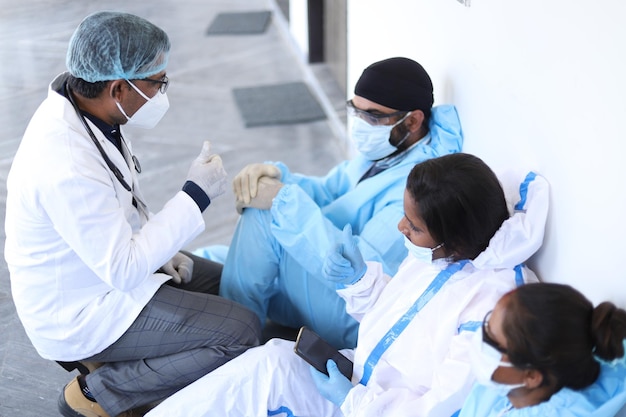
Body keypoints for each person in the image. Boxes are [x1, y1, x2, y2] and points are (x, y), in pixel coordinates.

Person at [145, 152, 549, 417]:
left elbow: (439, 407)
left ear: (454, 240)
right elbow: (397, 315)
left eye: (414, 226)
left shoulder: (495, 311)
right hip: (354, 379)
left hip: (370, 406)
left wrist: (353, 401)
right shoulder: (442, 254)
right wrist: (360, 282)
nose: (401, 228)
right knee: (270, 362)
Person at [4, 11, 261, 417]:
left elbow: (116, 207)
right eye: (157, 83)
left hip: (100, 270)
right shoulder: (66, 163)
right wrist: (195, 195)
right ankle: (99, 392)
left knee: (225, 283)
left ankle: (139, 359)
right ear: (119, 87)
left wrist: (163, 251)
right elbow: (123, 270)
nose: (162, 93)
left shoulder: (89, 109)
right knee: (241, 331)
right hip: (78, 312)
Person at [206, 57, 463, 349]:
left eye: (373, 117)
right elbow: (330, 191)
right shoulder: (389, 153)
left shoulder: (420, 188)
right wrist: (281, 176)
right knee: (227, 252)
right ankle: (220, 306)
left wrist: (282, 200)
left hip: (356, 311)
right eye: (356, 111)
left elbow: (361, 266)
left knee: (264, 220)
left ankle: (229, 340)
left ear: (413, 120)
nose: (361, 126)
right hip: (328, 291)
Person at [458, 282, 626, 417]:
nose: (479, 341)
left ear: (531, 376)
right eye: (487, 325)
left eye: (491, 342)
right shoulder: (506, 388)